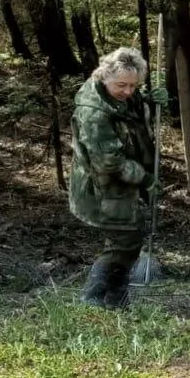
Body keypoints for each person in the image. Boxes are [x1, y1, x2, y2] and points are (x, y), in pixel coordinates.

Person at [68, 47, 163, 309]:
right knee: (123, 243)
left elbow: (131, 113)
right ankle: (93, 297)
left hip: (121, 185)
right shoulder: (94, 113)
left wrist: (148, 102)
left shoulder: (121, 96)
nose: (128, 91)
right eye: (122, 85)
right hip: (102, 186)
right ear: (104, 76)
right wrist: (145, 179)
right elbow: (109, 161)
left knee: (129, 240)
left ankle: (116, 300)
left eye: (134, 85)